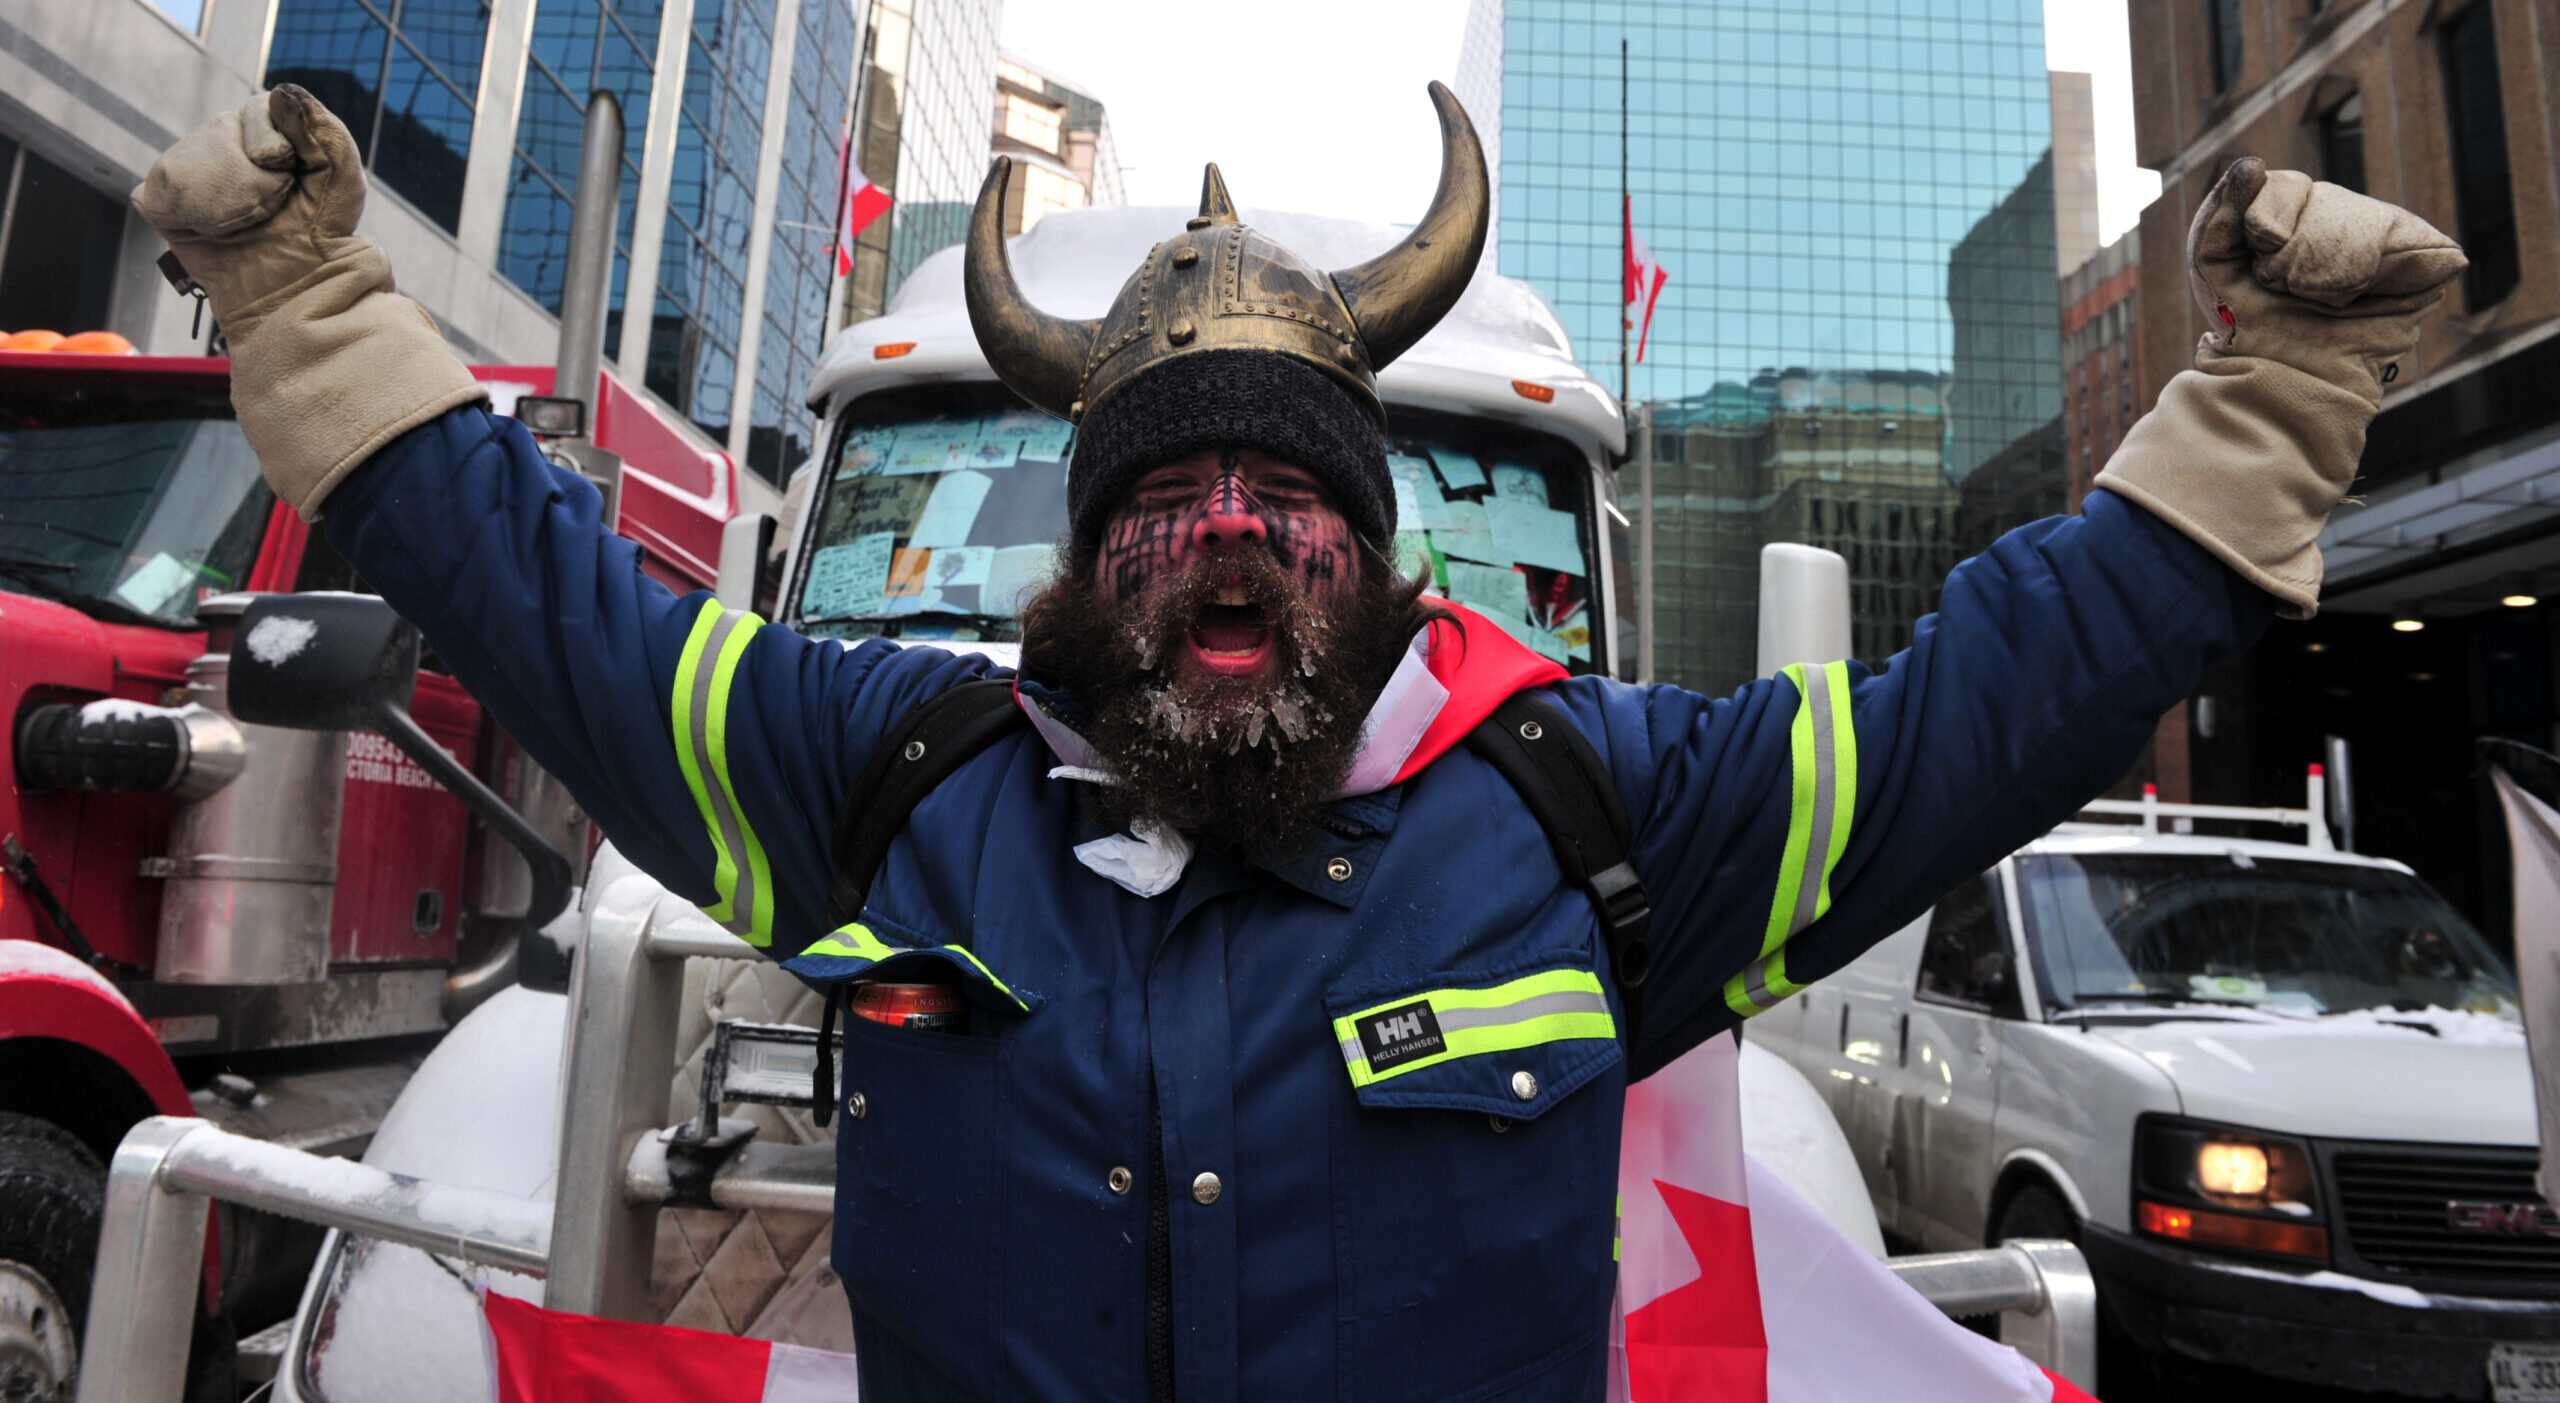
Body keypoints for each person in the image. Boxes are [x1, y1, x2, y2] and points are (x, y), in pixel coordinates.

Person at [134, 81, 2463, 1402]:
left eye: (1287, 506)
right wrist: (311, 305)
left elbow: (1994, 697)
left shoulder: (1595, 809)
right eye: (1162, 503)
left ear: (1374, 559)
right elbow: (560, 608)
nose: (1230, 547)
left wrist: (2271, 394)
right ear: (1083, 554)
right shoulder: (892, 787)